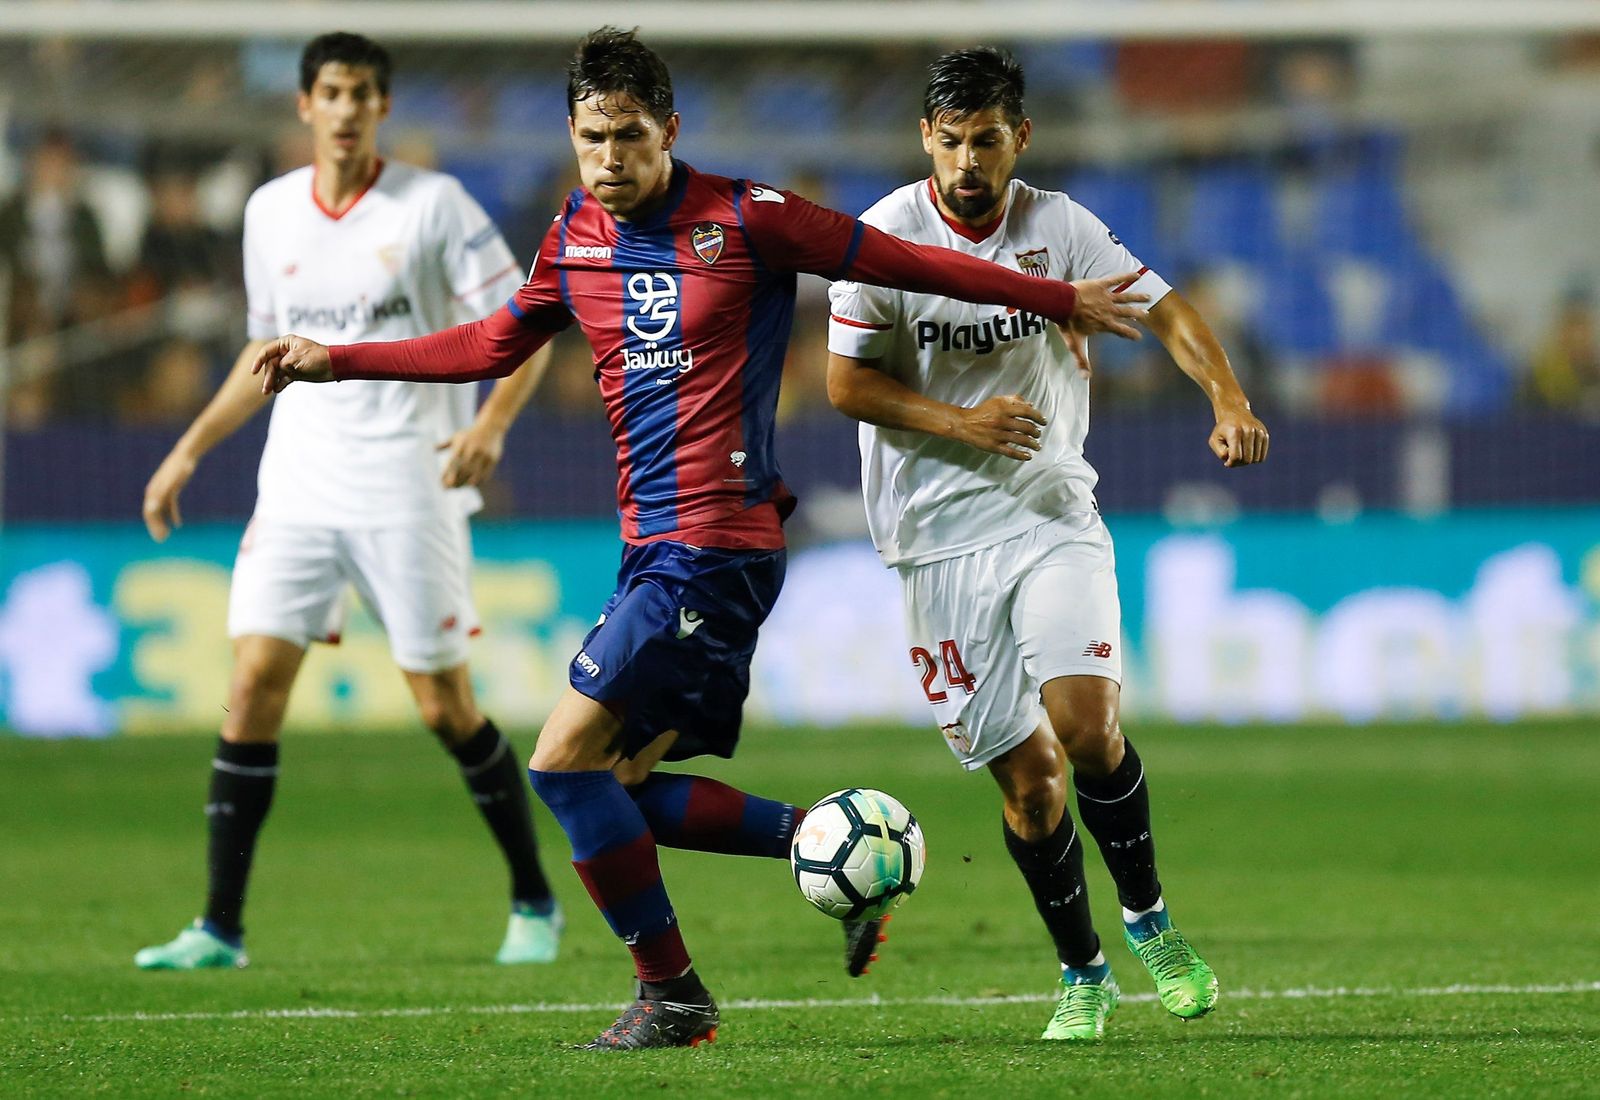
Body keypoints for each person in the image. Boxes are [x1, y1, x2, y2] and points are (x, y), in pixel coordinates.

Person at [251, 26, 1149, 1050]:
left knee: (558, 762)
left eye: (629, 137)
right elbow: (489, 343)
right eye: (591, 138)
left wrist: (1054, 295)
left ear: (669, 130)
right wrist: (340, 360)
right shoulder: (572, 238)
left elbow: (906, 258)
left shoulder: (748, 217)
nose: (609, 159)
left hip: (715, 547)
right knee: (618, 783)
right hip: (652, 549)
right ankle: (839, 849)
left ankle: (674, 994)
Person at [826, 48, 1269, 1042]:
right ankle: (1083, 971)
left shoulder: (1057, 226)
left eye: (987, 140)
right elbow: (846, 386)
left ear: (1018, 138)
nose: (969, 161)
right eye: (951, 141)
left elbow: (1163, 307)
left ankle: (1151, 920)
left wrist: (1226, 395)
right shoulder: (883, 238)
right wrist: (962, 422)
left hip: (1045, 505)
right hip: (931, 537)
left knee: (1085, 726)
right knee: (1028, 784)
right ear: (925, 140)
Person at [134, 32, 562, 972]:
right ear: (304, 105)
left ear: (382, 107)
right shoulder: (269, 213)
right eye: (330, 91)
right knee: (250, 688)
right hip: (297, 483)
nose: (346, 107)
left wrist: (488, 426)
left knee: (445, 707)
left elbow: (530, 324)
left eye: (363, 92)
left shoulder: (436, 206)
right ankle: (220, 928)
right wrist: (186, 451)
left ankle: (535, 898)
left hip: (410, 481)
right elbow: (263, 366)